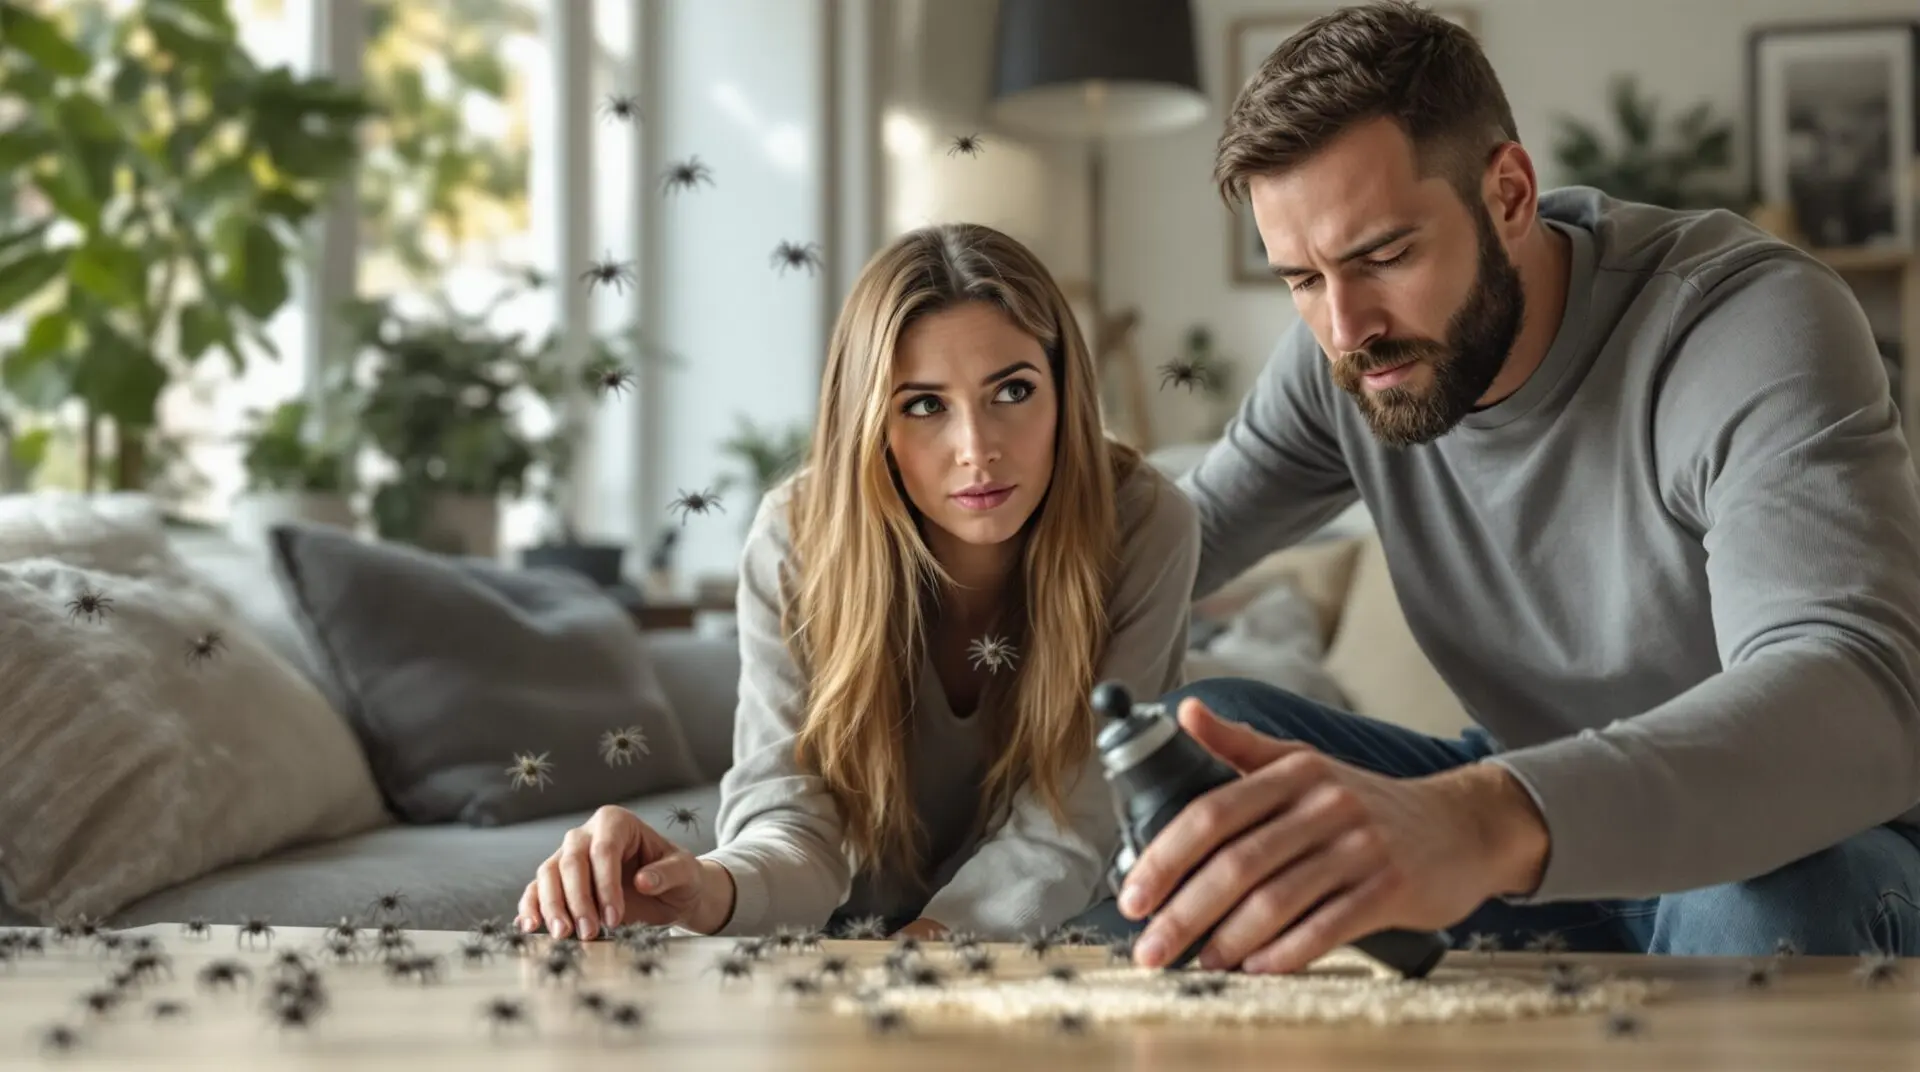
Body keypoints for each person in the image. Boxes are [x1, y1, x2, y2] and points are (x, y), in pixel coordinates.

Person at [1068, 0, 1920, 974]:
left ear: (1510, 194)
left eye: (1385, 256)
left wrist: (1480, 819)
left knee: (1762, 892)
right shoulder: (1351, 361)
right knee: (1214, 745)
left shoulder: (1742, 326)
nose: (1345, 327)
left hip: (1816, 845)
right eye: (1300, 278)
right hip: (1540, 837)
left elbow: (1853, 684)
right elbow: (1160, 547)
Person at [515, 222, 1200, 943]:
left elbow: (1075, 823)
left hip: (1050, 927)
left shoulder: (1145, 522)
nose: (977, 449)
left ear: (1065, 392)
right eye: (925, 404)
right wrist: (700, 890)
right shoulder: (796, 536)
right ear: (870, 419)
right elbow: (788, 818)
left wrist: (925, 951)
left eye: (1013, 390)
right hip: (843, 935)